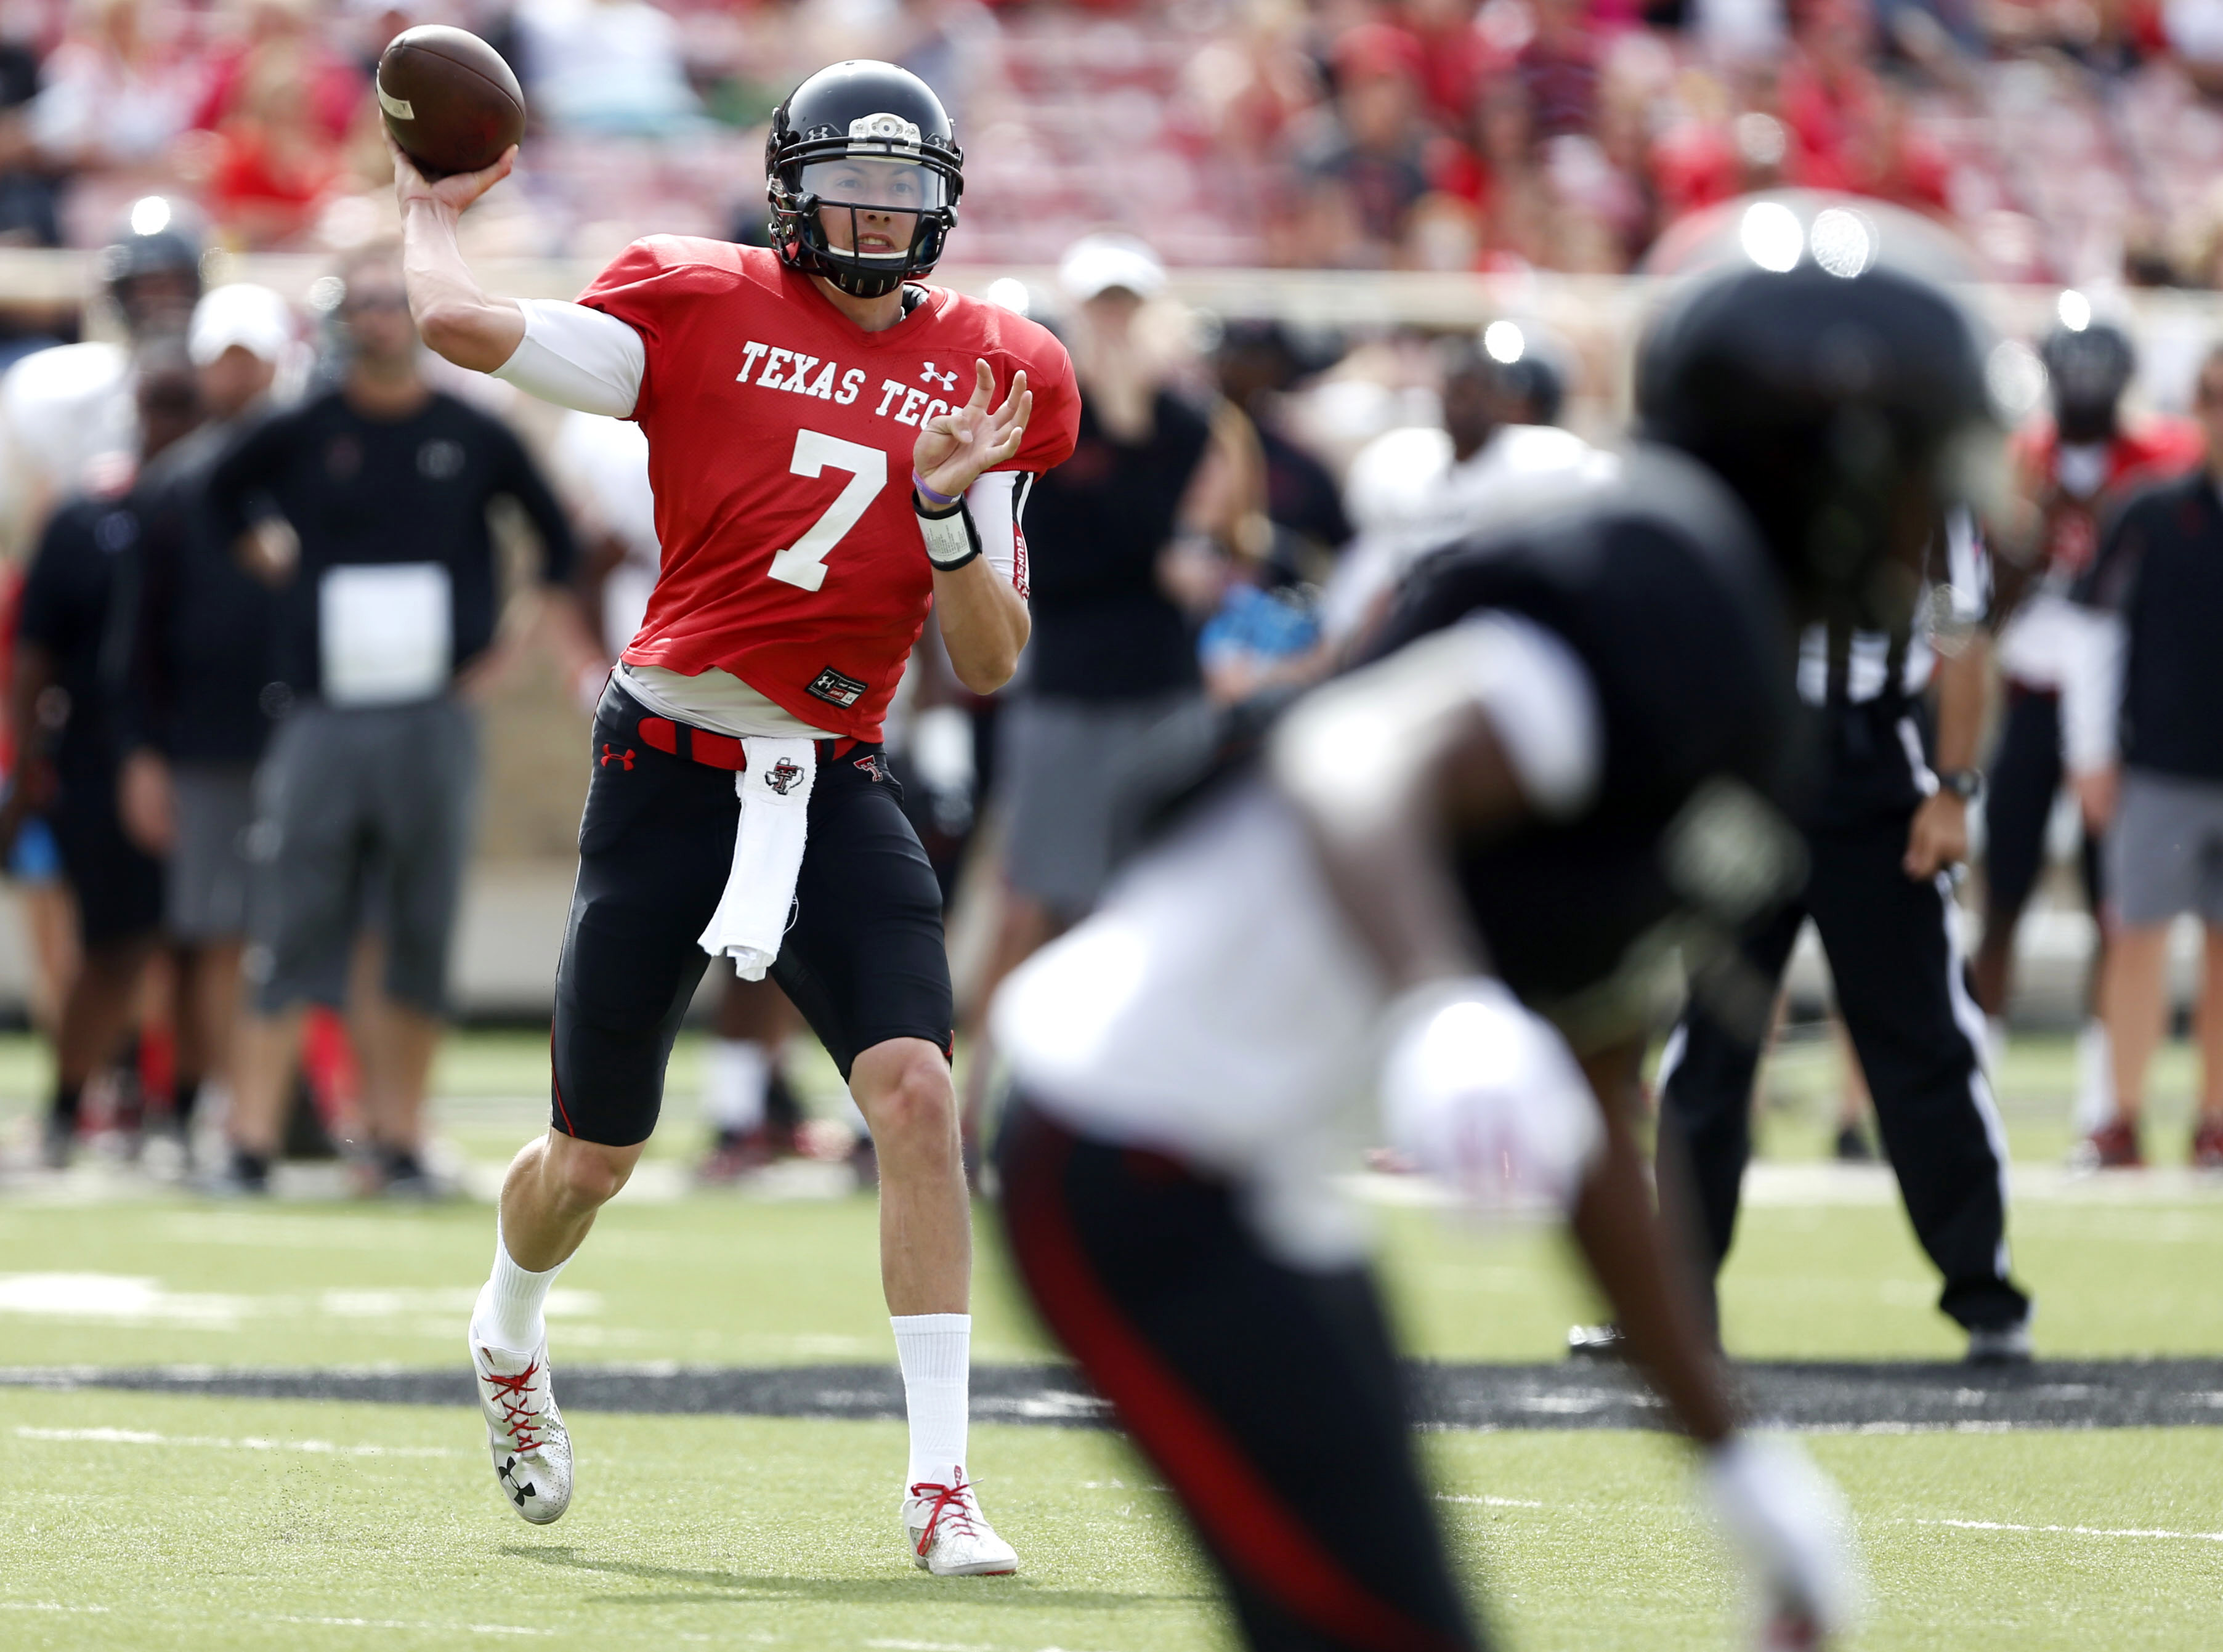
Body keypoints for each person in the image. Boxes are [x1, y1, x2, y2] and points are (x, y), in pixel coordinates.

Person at [989, 190, 2002, 1651]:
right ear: (1826, 462)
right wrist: (1441, 1002)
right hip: (1127, 1146)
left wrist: (1731, 1454)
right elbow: (1357, 763)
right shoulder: (1661, 593)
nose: (1935, 504)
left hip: (1254, 1178)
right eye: (1916, 461)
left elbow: (1594, 1079)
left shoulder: (1751, 691)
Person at [391, 60, 1079, 1571]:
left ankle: (943, 1484)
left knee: (916, 1095)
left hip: (832, 778)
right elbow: (455, 324)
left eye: (907, 192)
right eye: (852, 184)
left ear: (946, 205)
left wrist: (952, 514)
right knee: (591, 1158)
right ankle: (506, 1329)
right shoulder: (693, 303)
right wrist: (428, 211)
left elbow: (986, 658)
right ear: (785, 188)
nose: (879, 216)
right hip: (666, 772)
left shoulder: (994, 368)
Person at [201, 244, 598, 1198]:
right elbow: (220, 499)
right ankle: (249, 1138)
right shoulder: (301, 428)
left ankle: (400, 1133)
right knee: (295, 915)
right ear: (341, 317)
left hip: (433, 711)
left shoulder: (472, 430)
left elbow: (558, 543)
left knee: (417, 923)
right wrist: (276, 568)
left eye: (395, 302)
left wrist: (501, 655)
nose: (381, 319)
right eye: (365, 303)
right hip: (323, 710)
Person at [1647, 468, 2032, 1362]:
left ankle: (1985, 1291)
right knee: (1708, 1040)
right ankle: (1669, 1302)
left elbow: (1960, 640)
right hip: (1751, 761)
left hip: (1870, 767)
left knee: (1923, 1039)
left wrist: (1951, 790)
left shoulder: (1921, 489)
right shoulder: (1740, 471)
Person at [1974, 318, 2201, 1140]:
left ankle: (2104, 1103)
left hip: (2125, 712)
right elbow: (1960, 606)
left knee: (2119, 909)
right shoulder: (2015, 460)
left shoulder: (2159, 466)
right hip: (2031, 700)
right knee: (2001, 897)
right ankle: (1978, 1087)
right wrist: (2025, 536)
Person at [2, 339, 203, 1167]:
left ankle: (185, 1112)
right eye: (157, 405)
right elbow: (35, 654)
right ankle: (69, 1102)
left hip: (210, 754)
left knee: (206, 944)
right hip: (97, 755)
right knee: (114, 943)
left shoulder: (232, 507)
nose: (168, 423)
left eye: (181, 405)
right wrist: (25, 767)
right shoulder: (88, 516)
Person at [117, 283, 296, 1167]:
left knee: (290, 926)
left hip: (302, 732)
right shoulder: (171, 485)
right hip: (204, 738)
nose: (237, 375)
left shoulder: (312, 462)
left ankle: (274, 1107)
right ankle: (209, 1102)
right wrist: (143, 751)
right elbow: (135, 636)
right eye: (223, 356)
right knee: (208, 931)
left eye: (249, 357)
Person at [2062, 344, 2223, 1172]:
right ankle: (2118, 1115)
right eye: (2213, 395)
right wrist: (2088, 752)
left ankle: (2215, 1117)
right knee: (2137, 941)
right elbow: (2092, 634)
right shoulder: (2149, 512)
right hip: (2159, 765)